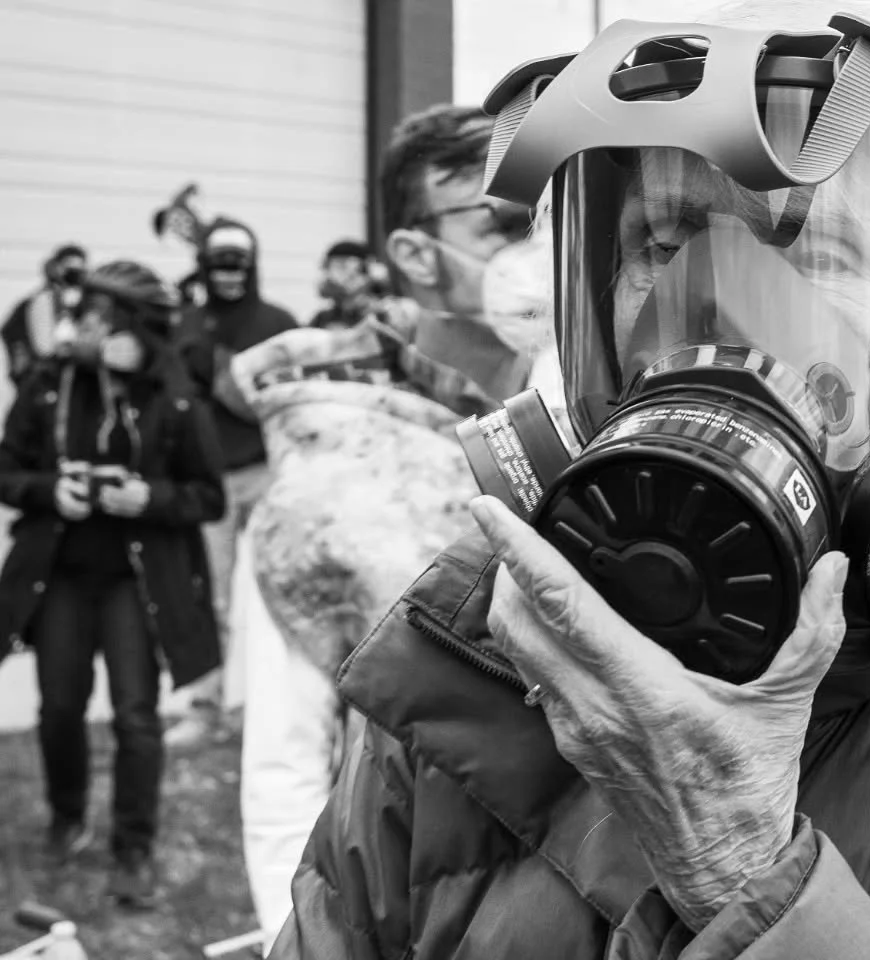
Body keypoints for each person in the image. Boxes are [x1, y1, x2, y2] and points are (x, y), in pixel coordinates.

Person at [271, 6, 870, 958]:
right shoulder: (474, 649)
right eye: (660, 243)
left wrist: (744, 872)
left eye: (815, 253)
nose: (716, 302)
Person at [232, 106, 554, 951]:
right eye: (507, 226)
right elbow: (286, 769)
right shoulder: (325, 463)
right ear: (415, 253)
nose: (539, 256)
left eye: (551, 218)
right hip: (414, 902)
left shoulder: (586, 417)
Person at [0, 261, 225, 906]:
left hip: (135, 581)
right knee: (60, 707)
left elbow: (207, 496)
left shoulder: (173, 394)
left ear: (131, 325)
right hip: (62, 576)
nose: (83, 323)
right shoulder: (48, 381)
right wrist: (51, 491)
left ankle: (134, 848)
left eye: (99, 313)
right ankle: (67, 817)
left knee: (135, 716)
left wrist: (148, 497)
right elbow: (7, 467)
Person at [170, 217, 297, 745]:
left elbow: (289, 394)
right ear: (204, 267)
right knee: (213, 597)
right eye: (218, 266)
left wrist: (225, 371)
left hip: (269, 471)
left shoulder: (278, 320)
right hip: (210, 481)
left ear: (252, 266)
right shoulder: (188, 323)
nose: (228, 277)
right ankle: (206, 707)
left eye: (237, 266)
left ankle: (281, 709)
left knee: (278, 591)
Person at [3, 245, 88, 384]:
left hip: (75, 378)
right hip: (42, 378)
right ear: (57, 267)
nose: (73, 274)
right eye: (69, 268)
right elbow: (15, 334)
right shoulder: (41, 300)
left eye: (78, 269)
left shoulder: (86, 302)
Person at [309, 240, 387, 330]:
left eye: (341, 266)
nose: (331, 276)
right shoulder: (322, 318)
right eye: (329, 267)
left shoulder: (382, 315)